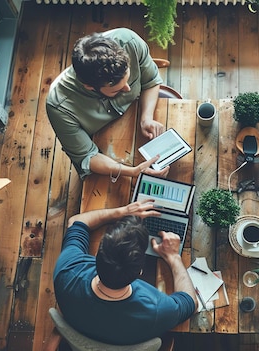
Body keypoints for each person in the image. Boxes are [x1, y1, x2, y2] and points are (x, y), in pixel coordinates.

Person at [52, 199, 197, 346]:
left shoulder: (67, 270)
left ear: (97, 255)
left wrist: (122, 212)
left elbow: (77, 220)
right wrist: (174, 257)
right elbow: (190, 302)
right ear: (140, 271)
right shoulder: (158, 309)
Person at [46, 28, 170, 179]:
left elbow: (150, 81)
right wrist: (132, 172)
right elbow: (87, 157)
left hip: (136, 116)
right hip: (105, 154)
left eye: (128, 79)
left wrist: (146, 118)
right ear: (90, 87)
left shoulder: (129, 42)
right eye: (117, 90)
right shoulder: (59, 107)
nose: (128, 88)